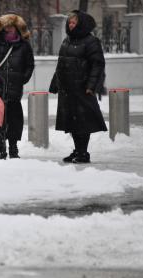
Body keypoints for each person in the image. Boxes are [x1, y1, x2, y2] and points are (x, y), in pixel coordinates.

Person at [49, 10, 107, 163]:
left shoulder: (91, 41)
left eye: (74, 23)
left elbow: (98, 64)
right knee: (71, 121)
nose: (71, 25)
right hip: (67, 89)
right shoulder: (67, 40)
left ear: (82, 24)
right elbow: (61, 63)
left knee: (83, 121)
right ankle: (77, 150)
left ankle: (83, 152)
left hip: (82, 88)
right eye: (70, 23)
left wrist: (92, 86)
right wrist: (55, 82)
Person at [0, 12, 35, 158]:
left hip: (15, 89)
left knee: (14, 119)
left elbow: (29, 64)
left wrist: (23, 78)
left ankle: (13, 147)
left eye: (11, 26)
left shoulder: (24, 45)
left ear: (17, 28)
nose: (8, 29)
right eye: (5, 27)